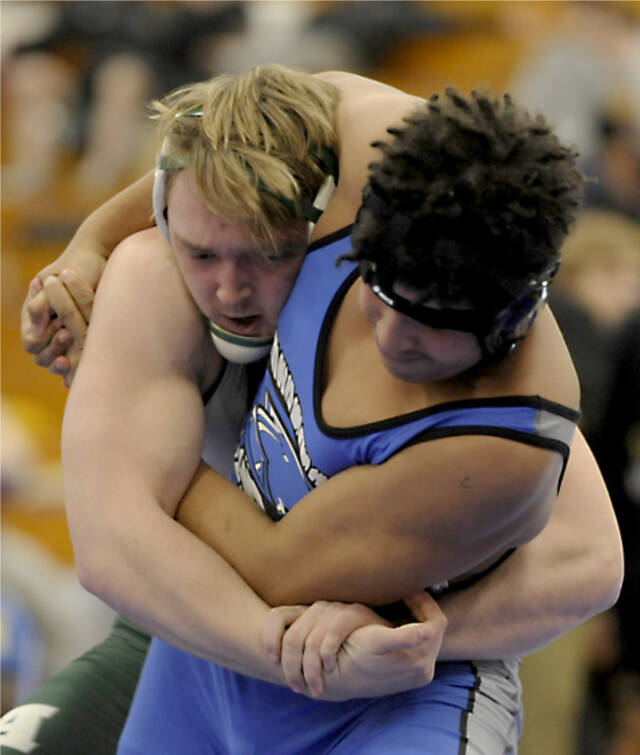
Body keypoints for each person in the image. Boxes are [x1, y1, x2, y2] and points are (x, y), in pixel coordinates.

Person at [17, 68, 622, 753]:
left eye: (432, 325)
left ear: (515, 318)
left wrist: (132, 457)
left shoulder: (503, 436)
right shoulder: (367, 147)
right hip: (207, 658)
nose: (393, 339)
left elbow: (279, 572)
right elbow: (222, 138)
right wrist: (92, 237)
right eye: (379, 291)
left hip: (378, 693)